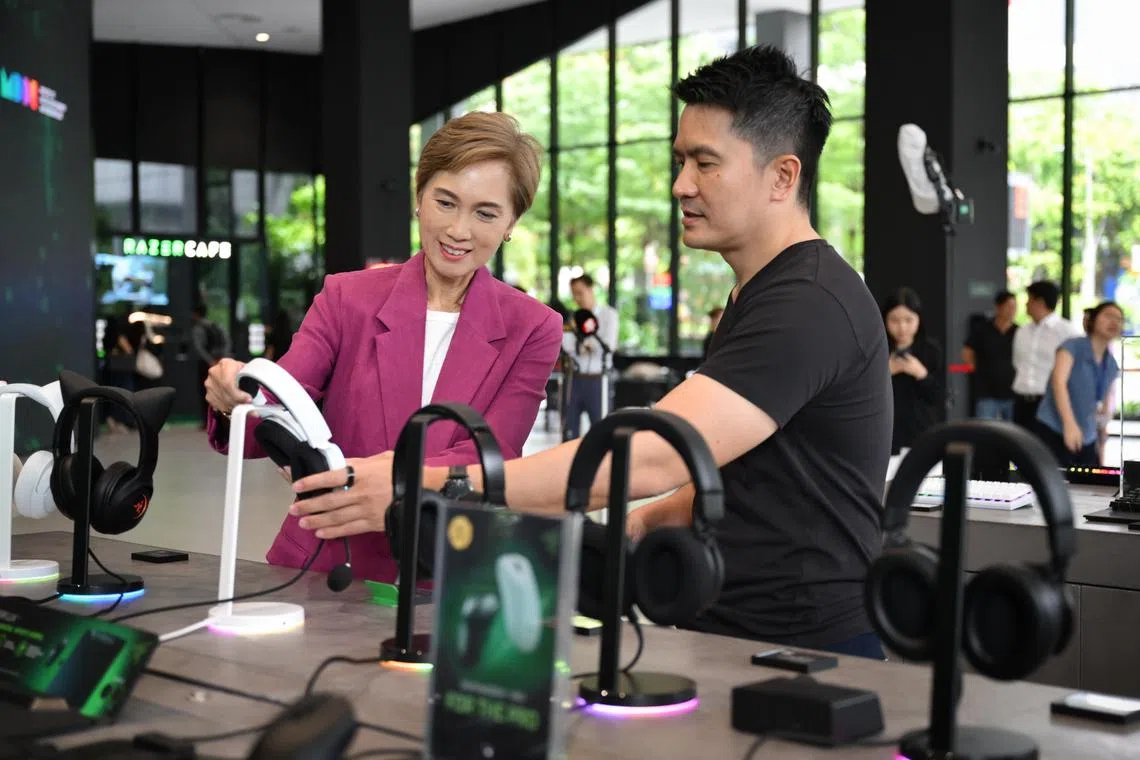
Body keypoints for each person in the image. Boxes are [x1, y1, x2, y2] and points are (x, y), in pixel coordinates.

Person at [288, 46, 893, 659]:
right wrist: (646, 520)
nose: (681, 185)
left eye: (706, 163)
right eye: (680, 161)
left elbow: (652, 456)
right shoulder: (759, 294)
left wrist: (413, 484)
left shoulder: (808, 304)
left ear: (783, 177)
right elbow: (758, 474)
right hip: (734, 631)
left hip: (810, 651)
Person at [203, 111, 563, 583]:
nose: (459, 230)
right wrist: (235, 398)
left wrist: (381, 480)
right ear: (419, 197)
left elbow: (491, 456)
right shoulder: (346, 297)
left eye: (486, 213)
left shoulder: (534, 327)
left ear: (511, 222)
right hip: (327, 563)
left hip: (442, 568)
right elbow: (275, 412)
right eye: (446, 202)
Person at [1035, 301, 1123, 466]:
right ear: (1093, 320)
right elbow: (1058, 383)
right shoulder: (1072, 346)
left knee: (1087, 480)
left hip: (1086, 435)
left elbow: (1103, 403)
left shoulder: (1111, 364)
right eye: (1108, 316)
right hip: (1053, 428)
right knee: (1051, 477)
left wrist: (1101, 432)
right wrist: (1069, 424)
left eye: (1119, 319)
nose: (1114, 322)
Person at [1011, 281, 1080, 430]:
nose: (1026, 304)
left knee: (1045, 442)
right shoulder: (1022, 331)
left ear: (1040, 302)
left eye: (1029, 299)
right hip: (1021, 400)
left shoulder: (1067, 331)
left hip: (1049, 402)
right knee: (1020, 442)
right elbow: (1018, 363)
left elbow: (1076, 368)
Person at [883, 287, 943, 455]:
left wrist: (921, 374)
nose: (902, 327)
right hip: (887, 436)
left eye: (908, 320)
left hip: (921, 434)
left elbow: (938, 396)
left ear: (918, 319)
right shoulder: (878, 350)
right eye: (894, 320)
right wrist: (885, 373)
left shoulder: (931, 350)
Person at [561, 273, 619, 440]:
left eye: (580, 293)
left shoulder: (609, 315)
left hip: (598, 380)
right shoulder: (574, 318)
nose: (577, 298)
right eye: (574, 294)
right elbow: (567, 345)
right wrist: (584, 346)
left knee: (601, 431)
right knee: (569, 431)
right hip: (575, 379)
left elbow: (609, 345)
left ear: (591, 290)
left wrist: (584, 344)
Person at [963, 290, 1018, 421]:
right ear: (998, 307)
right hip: (986, 393)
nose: (1012, 311)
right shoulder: (982, 329)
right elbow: (967, 352)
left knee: (1012, 431)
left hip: (1012, 393)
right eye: (1009, 307)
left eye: (1014, 307)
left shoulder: (1019, 331)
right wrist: (974, 371)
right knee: (985, 429)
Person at [191, 304, 230, 428]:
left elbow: (199, 348)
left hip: (206, 365)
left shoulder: (198, 328)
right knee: (219, 392)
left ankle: (208, 422)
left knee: (205, 393)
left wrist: (210, 361)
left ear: (195, 314)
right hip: (219, 363)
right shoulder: (216, 326)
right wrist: (222, 359)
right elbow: (227, 342)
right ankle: (220, 421)